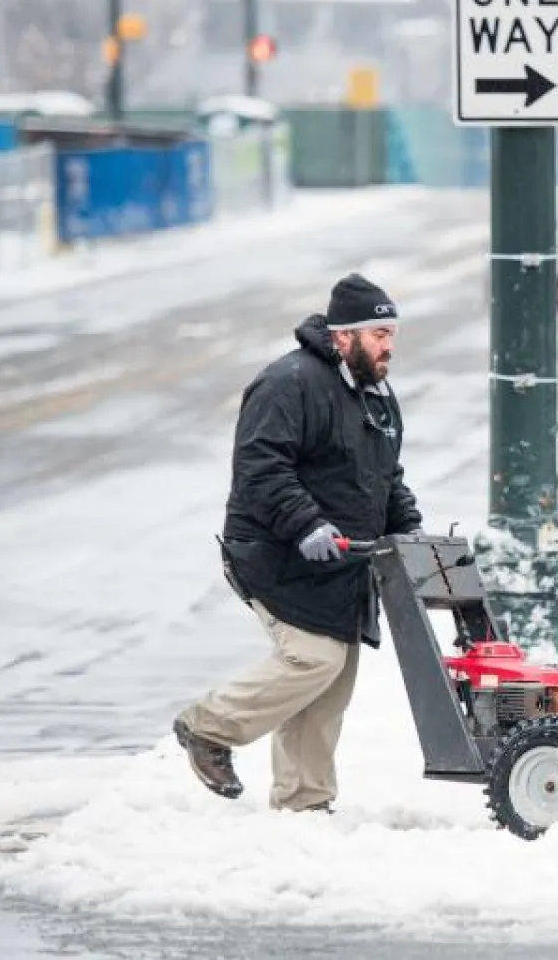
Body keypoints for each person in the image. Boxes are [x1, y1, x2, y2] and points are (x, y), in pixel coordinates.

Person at [172, 273, 423, 813]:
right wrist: (306, 525)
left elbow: (387, 478)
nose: (389, 346)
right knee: (313, 660)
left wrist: (412, 534)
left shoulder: (376, 395)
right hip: (277, 552)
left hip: (342, 563)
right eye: (379, 334)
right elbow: (260, 467)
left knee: (331, 684)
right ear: (343, 336)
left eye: (392, 333)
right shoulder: (289, 382)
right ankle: (208, 728)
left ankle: (303, 804)